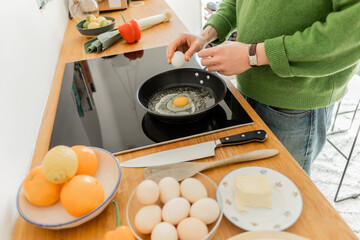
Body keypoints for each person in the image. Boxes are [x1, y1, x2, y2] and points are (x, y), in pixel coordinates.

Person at [166, 0, 360, 175]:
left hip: (295, 102)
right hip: (247, 88)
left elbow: (351, 30)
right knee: (249, 179)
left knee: (281, 189)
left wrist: (252, 55)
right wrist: (205, 36)